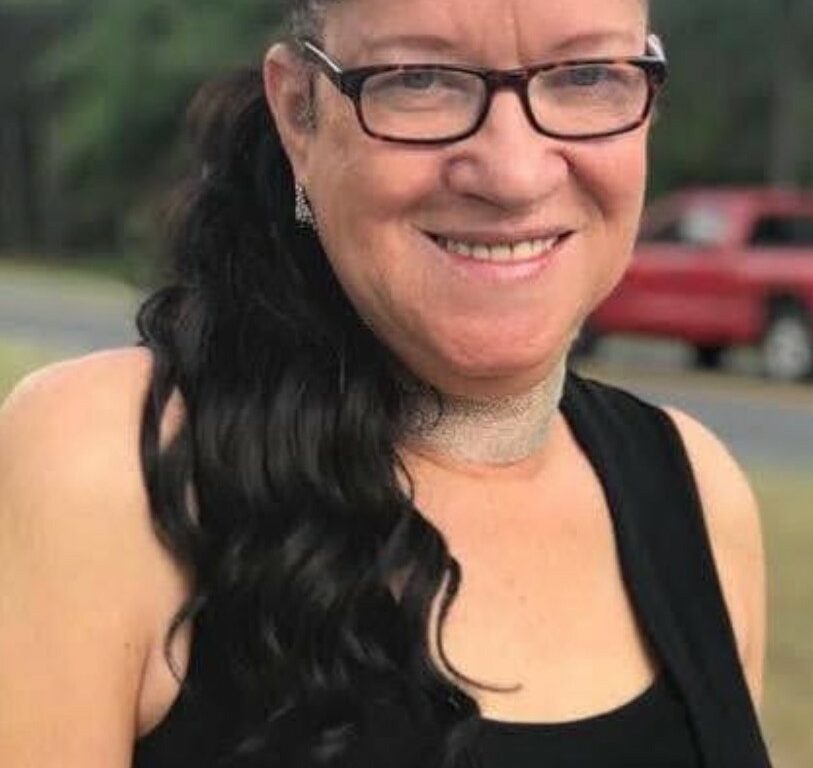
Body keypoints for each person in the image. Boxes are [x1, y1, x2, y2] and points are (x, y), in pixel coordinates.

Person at [0, 0, 772, 766]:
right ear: (298, 113)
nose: (513, 173)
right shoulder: (111, 473)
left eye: (585, 75)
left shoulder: (696, 498)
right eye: (420, 78)